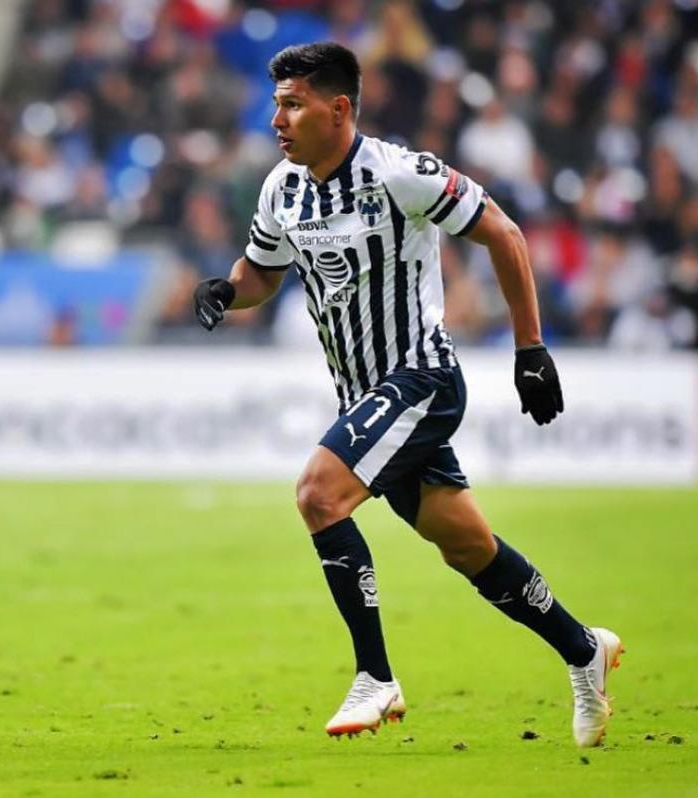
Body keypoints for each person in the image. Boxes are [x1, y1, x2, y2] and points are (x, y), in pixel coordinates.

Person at [192, 42, 621, 748]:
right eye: (276, 104)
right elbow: (261, 271)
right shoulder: (281, 188)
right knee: (468, 547)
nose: (277, 119)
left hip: (421, 379)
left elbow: (504, 233)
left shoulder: (400, 173)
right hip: (365, 398)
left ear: (338, 109)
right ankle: (584, 650)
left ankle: (375, 676)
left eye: (293, 104)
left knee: (317, 495)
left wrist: (530, 348)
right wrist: (225, 290)